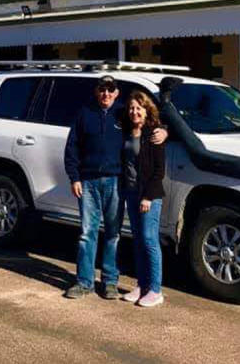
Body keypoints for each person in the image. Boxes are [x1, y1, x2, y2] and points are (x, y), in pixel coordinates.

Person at [63, 75, 165, 300]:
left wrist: (165, 130)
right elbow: (71, 148)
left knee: (113, 233)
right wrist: (74, 178)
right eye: (102, 89)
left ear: (117, 93)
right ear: (96, 91)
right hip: (87, 182)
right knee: (87, 233)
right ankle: (84, 282)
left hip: (115, 182)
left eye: (110, 90)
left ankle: (110, 281)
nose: (106, 94)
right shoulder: (84, 114)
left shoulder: (124, 113)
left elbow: (148, 121)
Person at [119, 91, 166, 307]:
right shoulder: (127, 130)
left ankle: (155, 290)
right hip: (131, 193)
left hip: (149, 196)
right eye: (131, 108)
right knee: (138, 241)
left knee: (149, 240)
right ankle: (142, 285)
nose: (134, 111)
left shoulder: (154, 134)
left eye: (139, 108)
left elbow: (159, 171)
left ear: (147, 110)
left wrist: (148, 196)